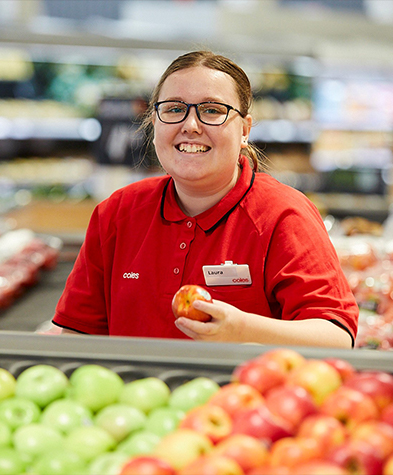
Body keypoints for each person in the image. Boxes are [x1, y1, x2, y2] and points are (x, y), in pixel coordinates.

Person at [50, 51, 358, 348]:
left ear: (245, 131)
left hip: (242, 397)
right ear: (154, 124)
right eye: (173, 109)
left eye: (212, 110)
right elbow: (79, 333)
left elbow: (336, 338)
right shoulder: (117, 212)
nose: (191, 125)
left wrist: (244, 330)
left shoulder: (283, 215)